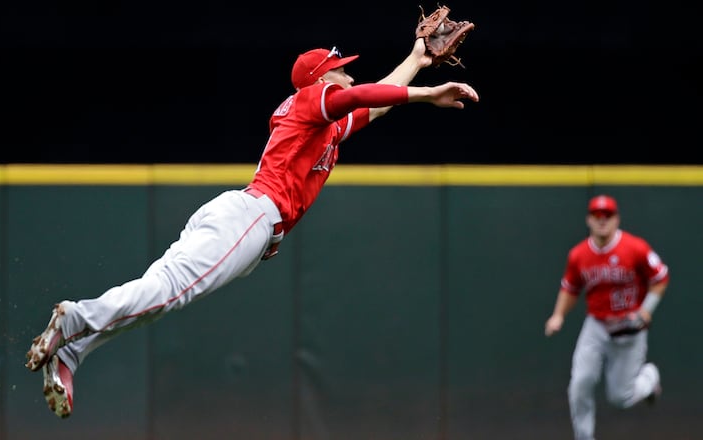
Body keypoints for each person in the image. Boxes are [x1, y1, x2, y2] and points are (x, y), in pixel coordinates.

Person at [24, 37, 480, 418]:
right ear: (321, 81)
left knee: (161, 294)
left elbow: (374, 103)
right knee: (168, 291)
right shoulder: (309, 100)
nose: (350, 76)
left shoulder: (321, 127)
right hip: (250, 217)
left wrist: (417, 59)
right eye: (340, 70)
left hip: (239, 215)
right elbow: (362, 96)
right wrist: (428, 93)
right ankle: (77, 317)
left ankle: (71, 351)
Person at [544, 194, 668, 440]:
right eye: (597, 216)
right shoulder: (579, 254)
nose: (602, 221)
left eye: (607, 216)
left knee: (620, 398)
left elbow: (660, 278)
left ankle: (649, 377)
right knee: (580, 382)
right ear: (588, 220)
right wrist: (558, 315)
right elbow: (570, 287)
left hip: (629, 326)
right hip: (597, 325)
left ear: (616, 219)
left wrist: (646, 310)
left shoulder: (635, 247)